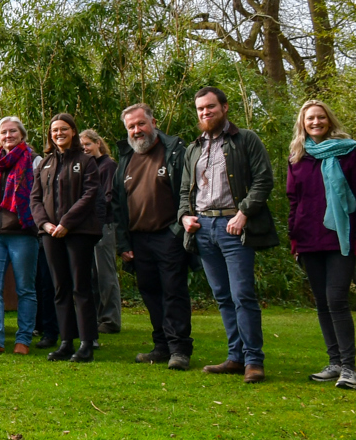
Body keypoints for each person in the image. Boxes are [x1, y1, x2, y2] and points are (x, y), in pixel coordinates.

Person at [180, 86, 277, 383]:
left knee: (242, 295)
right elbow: (185, 190)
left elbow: (263, 179)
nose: (205, 112)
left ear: (224, 108)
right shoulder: (193, 148)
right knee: (222, 296)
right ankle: (235, 357)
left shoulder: (245, 139)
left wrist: (244, 213)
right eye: (200, 109)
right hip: (203, 229)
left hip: (234, 228)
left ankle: (253, 361)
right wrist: (185, 216)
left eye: (210, 107)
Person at [116, 104, 192, 369]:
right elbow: (118, 204)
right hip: (138, 240)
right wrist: (123, 243)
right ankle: (161, 346)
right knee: (150, 294)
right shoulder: (126, 158)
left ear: (153, 122)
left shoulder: (174, 152)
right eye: (131, 127)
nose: (137, 131)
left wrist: (178, 231)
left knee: (174, 293)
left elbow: (187, 193)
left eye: (141, 124)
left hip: (168, 234)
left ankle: (179, 349)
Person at [287, 100, 356, 389]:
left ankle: (350, 369)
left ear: (329, 119)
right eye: (310, 118)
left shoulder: (349, 152)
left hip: (341, 239)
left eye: (320, 117)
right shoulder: (298, 158)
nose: (315, 122)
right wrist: (294, 239)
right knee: (322, 303)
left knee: (337, 300)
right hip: (308, 239)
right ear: (303, 124)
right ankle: (335, 362)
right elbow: (294, 201)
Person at [31, 114, 103, 362]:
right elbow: (35, 198)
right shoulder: (45, 163)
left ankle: (86, 344)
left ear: (73, 131)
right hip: (50, 233)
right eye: (54, 130)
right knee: (59, 288)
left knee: (80, 287)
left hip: (79, 232)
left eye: (63, 129)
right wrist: (46, 224)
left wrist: (66, 223)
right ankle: (66, 342)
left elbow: (90, 193)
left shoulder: (86, 161)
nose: (58, 133)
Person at [0, 117, 40, 355]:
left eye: (13, 131)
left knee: (25, 289)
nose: (8, 135)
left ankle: (23, 340)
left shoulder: (34, 160)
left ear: (22, 135)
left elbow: (38, 195)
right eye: (3, 132)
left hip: (22, 231)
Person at [80, 129, 123, 335]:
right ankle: (98, 317)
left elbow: (108, 198)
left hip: (104, 224)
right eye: (82, 147)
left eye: (88, 144)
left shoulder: (108, 166)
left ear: (98, 143)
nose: (85, 149)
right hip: (88, 226)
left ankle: (111, 319)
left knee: (106, 274)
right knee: (93, 275)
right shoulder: (88, 167)